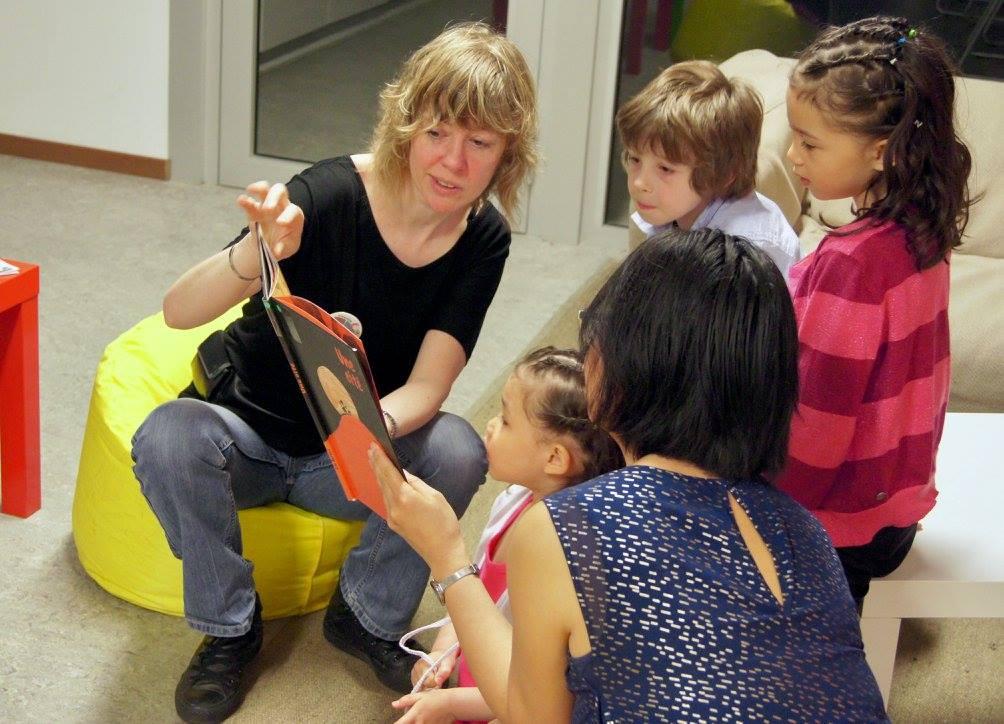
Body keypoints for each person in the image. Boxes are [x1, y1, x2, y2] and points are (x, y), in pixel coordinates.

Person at [130, 21, 538, 723]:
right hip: (247, 438)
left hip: (347, 459)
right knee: (168, 435)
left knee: (457, 447)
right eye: (438, 132)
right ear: (407, 123)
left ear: (508, 152)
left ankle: (366, 613)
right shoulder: (325, 193)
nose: (453, 161)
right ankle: (230, 628)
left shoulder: (484, 238)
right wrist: (259, 250)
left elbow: (430, 386)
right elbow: (177, 311)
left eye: (480, 142)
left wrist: (361, 433)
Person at [370, 228, 888, 721]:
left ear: (626, 364)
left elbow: (532, 712)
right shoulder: (807, 532)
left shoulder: (570, 527)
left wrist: (447, 555)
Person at [777, 16, 974, 609]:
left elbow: (817, 433)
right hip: (897, 515)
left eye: (810, 143)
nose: (791, 155)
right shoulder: (924, 233)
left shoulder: (850, 265)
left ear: (881, 150)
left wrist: (763, 508)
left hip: (836, 532)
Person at [390, 346, 622, 723]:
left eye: (506, 420)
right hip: (481, 680)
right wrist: (442, 654)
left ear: (555, 458)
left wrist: (451, 703)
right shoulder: (513, 499)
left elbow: (540, 699)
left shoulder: (564, 565)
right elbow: (471, 589)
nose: (490, 424)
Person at [618, 59, 800, 277]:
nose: (639, 183)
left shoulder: (743, 254)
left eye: (665, 169)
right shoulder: (677, 210)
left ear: (723, 174)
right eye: (635, 159)